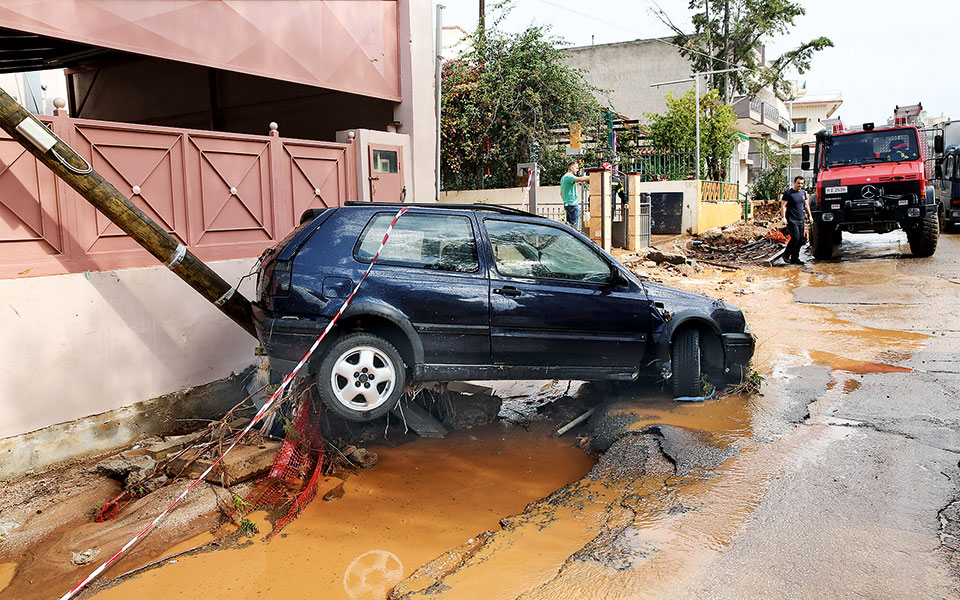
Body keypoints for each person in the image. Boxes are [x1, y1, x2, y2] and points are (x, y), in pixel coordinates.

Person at [780, 175, 813, 265]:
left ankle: (795, 258)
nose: (800, 185)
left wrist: (810, 216)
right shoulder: (788, 193)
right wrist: (783, 217)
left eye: (802, 183)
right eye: (798, 183)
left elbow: (806, 205)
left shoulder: (803, 193)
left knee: (801, 239)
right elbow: (783, 206)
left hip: (801, 219)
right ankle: (786, 255)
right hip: (792, 219)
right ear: (794, 182)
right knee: (795, 238)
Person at [560, 161, 589, 228]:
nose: (577, 170)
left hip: (567, 204)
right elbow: (581, 179)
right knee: (574, 227)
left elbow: (561, 193)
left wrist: (566, 200)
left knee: (569, 227)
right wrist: (593, 176)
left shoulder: (563, 178)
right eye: (576, 168)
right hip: (572, 204)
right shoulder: (569, 176)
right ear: (571, 167)